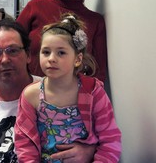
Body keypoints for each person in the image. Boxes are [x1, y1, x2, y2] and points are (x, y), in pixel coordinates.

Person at [0, 19, 96, 163]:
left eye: (12, 51)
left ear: (28, 55)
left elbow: (106, 138)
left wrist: (89, 151)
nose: (5, 59)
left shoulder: (58, 93)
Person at [15, 13, 121, 163]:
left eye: (61, 53)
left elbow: (110, 139)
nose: (51, 58)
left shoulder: (93, 92)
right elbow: (24, 143)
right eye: (46, 52)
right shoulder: (30, 95)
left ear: (77, 59)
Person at [16, 0, 107, 82]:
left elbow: (99, 73)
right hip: (31, 91)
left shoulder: (95, 20)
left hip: (73, 96)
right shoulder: (35, 7)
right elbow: (14, 46)